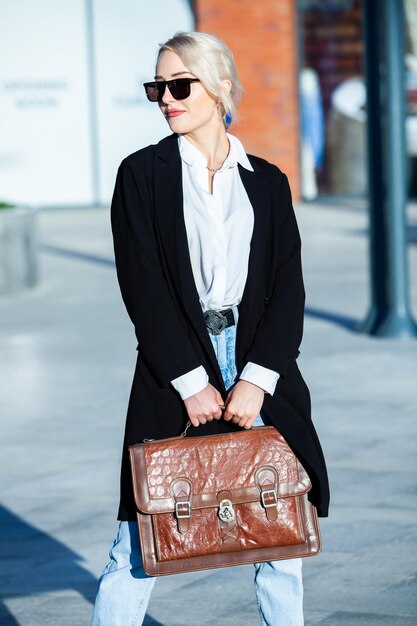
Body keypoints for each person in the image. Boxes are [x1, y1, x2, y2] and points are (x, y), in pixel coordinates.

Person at [90, 31, 330, 626]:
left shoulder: (268, 181)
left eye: (179, 85)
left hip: (255, 359)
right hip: (176, 363)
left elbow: (287, 290)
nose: (166, 99)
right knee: (142, 539)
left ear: (222, 87)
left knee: (280, 531)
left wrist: (259, 379)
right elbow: (142, 287)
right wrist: (189, 380)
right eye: (157, 88)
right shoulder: (141, 176)